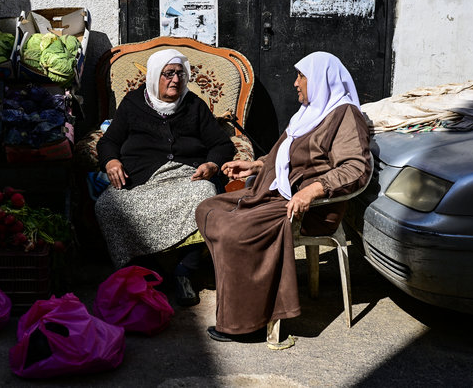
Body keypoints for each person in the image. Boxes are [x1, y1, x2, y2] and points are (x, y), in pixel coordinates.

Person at [195, 51, 371, 342]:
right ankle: (243, 301)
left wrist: (313, 190)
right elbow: (284, 154)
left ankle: (250, 323)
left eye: (301, 76)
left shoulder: (344, 115)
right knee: (208, 209)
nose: (295, 83)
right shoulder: (308, 113)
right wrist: (254, 165)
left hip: (309, 208)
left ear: (320, 78)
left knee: (234, 229)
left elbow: (356, 167)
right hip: (275, 192)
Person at [95, 48, 235, 306]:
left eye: (180, 74)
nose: (175, 80)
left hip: (185, 175)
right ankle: (148, 271)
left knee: (205, 196)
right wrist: (111, 160)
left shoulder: (194, 105)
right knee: (107, 206)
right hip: (141, 179)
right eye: (168, 74)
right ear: (154, 76)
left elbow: (222, 144)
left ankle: (184, 271)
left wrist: (212, 165)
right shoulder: (133, 104)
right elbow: (109, 142)